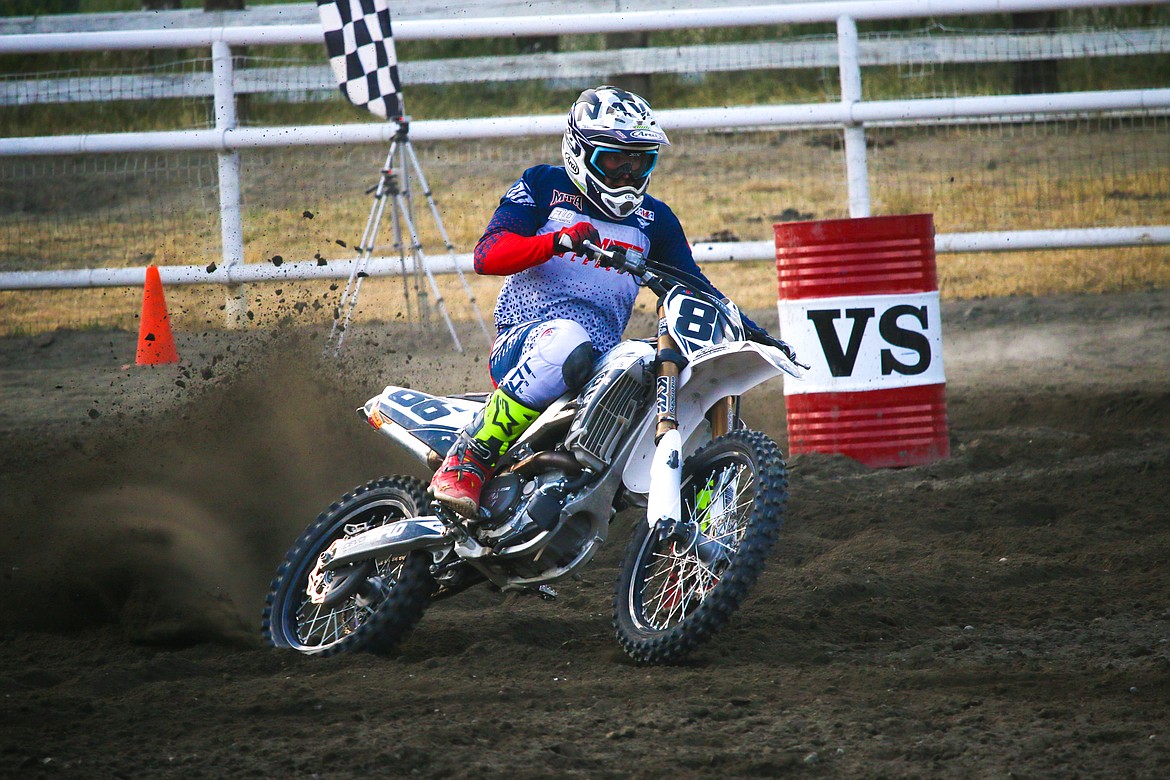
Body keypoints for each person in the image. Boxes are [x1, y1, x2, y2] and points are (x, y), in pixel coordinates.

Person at [429, 84, 764, 519]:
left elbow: (693, 284)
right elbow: (487, 254)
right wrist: (555, 242)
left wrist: (754, 333)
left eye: (639, 160)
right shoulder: (544, 185)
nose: (627, 172)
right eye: (614, 159)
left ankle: (696, 526)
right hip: (523, 343)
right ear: (580, 151)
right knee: (566, 340)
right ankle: (469, 458)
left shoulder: (655, 219)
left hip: (600, 362)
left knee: (670, 367)